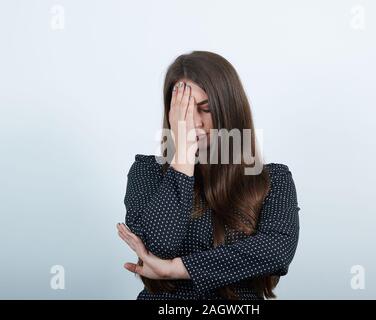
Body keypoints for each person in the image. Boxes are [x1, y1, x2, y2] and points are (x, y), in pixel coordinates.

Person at [117, 51, 300, 300]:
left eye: (206, 110)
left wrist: (176, 269)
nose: (193, 123)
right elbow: (158, 247)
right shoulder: (147, 172)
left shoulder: (271, 179)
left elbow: (276, 252)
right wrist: (182, 156)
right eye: (182, 111)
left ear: (230, 111)